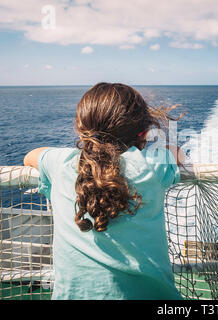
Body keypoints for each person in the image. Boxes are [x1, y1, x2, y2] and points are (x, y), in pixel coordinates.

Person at [23, 82, 185, 300]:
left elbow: (30, 156)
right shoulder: (153, 165)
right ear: (144, 132)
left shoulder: (60, 163)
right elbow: (177, 153)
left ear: (81, 128)